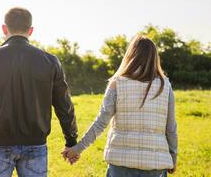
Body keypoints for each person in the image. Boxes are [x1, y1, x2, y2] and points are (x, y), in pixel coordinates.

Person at [0, 7, 78, 177]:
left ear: (4, 29)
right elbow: (64, 105)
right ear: (30, 31)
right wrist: (71, 141)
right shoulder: (50, 61)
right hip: (35, 145)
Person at [63, 36, 178, 177]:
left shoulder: (117, 83)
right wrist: (173, 157)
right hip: (156, 166)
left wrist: (77, 149)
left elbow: (100, 123)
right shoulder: (165, 86)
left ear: (131, 55)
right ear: (155, 58)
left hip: (120, 165)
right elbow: (171, 128)